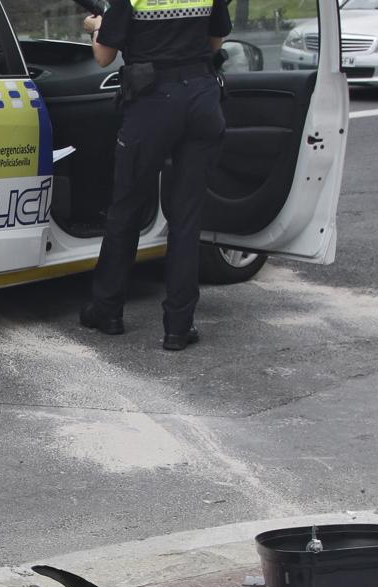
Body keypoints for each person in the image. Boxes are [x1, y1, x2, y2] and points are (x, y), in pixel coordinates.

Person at [78, 0, 231, 351]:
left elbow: (103, 57)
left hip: (152, 102)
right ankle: (178, 326)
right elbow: (214, 42)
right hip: (202, 99)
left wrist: (95, 28)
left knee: (126, 209)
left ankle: (108, 311)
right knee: (187, 218)